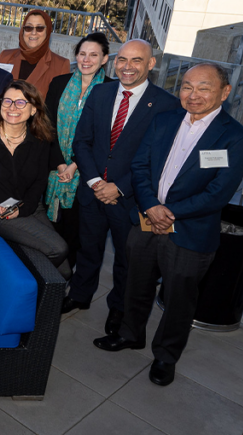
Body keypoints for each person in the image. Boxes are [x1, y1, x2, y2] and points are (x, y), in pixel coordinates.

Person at [94, 64, 243, 388]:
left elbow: (217, 193)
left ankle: (165, 356)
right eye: (186, 86)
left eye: (203, 88)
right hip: (144, 222)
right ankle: (130, 334)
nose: (193, 95)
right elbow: (139, 166)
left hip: (189, 232)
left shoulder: (236, 138)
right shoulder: (164, 120)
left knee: (179, 299)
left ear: (225, 92)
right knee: (135, 283)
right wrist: (150, 206)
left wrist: (166, 212)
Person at [64, 40, 179, 337]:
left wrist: (119, 187)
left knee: (126, 261)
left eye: (136, 60)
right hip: (92, 191)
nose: (127, 66)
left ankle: (119, 308)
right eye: (122, 59)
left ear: (151, 64)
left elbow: (159, 159)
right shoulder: (100, 92)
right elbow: (82, 141)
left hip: (129, 199)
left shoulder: (166, 104)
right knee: (87, 249)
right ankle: (80, 294)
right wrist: (94, 182)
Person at [0, 80, 71, 278]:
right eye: (7, 101)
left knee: (65, 271)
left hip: (30, 204)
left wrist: (23, 209)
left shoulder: (41, 138)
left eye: (20, 103)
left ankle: (41, 296)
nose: (12, 107)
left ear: (33, 109)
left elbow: (40, 180)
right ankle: (18, 284)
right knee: (58, 249)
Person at [43, 33, 110, 272]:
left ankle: (68, 280)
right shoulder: (59, 83)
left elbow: (105, 138)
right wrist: (61, 163)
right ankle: (48, 277)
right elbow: (46, 126)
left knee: (77, 233)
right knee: (50, 230)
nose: (86, 59)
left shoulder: (111, 89)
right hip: (54, 168)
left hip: (88, 175)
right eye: (82, 54)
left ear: (104, 59)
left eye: (93, 55)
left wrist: (75, 166)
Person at [0, 10, 70, 100]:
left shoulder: (60, 65)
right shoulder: (5, 57)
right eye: (28, 28)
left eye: (39, 28)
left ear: (48, 32)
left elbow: (59, 105)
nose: (33, 32)